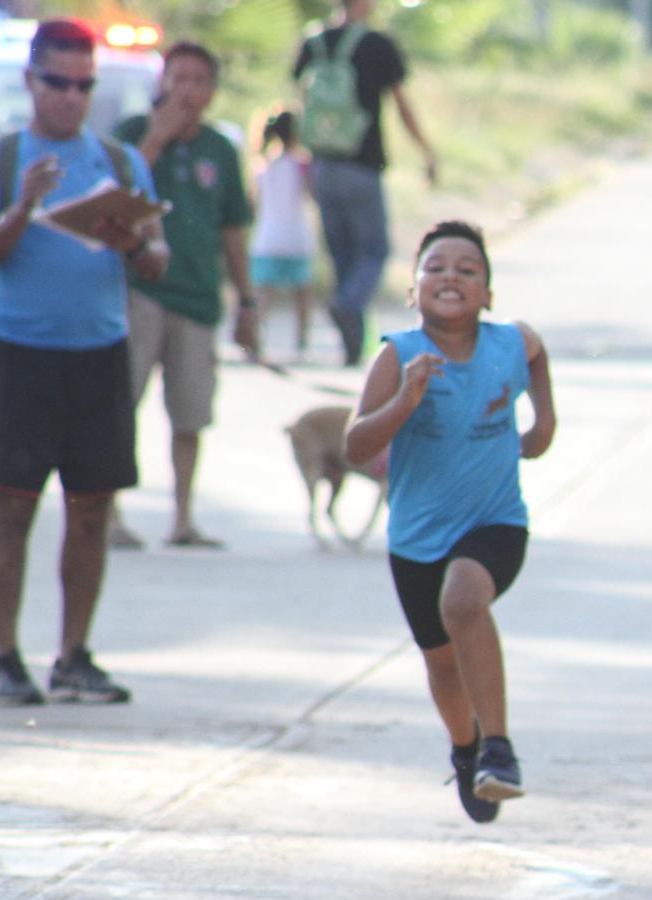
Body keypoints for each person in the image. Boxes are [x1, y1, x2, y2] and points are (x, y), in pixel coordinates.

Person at [0, 19, 169, 708]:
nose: (70, 97)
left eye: (84, 85)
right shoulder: (1, 160)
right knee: (12, 503)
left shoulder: (120, 164)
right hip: (22, 351)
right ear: (31, 81)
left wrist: (129, 242)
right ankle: (5, 655)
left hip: (99, 352)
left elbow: (156, 259)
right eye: (57, 82)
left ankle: (73, 654)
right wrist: (23, 207)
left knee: (92, 507)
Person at [343, 222, 556, 821]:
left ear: (488, 293)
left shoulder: (509, 344)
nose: (451, 277)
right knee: (441, 659)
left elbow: (536, 351)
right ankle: (466, 749)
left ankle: (499, 747)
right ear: (413, 290)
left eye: (468, 269)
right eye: (436, 267)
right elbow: (355, 447)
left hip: (495, 522)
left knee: (463, 602)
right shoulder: (400, 354)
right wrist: (403, 403)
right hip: (416, 538)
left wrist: (543, 422)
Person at [109, 40, 258, 553]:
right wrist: (156, 138)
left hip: (197, 296)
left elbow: (234, 229)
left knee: (190, 413)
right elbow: (114, 201)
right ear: (161, 82)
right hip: (137, 291)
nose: (187, 90)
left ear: (213, 90)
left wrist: (248, 300)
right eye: (178, 77)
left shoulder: (221, 149)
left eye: (199, 79)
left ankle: (182, 518)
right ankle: (110, 514)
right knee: (120, 403)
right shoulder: (131, 135)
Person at [293, 0, 438, 367]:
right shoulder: (377, 44)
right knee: (373, 252)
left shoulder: (313, 41)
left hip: (323, 163)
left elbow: (303, 105)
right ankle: (348, 307)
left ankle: (352, 346)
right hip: (362, 165)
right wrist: (426, 151)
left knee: (342, 256)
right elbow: (402, 106)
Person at [250, 109, 317, 360]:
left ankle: (256, 340)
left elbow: (255, 202)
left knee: (262, 293)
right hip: (297, 237)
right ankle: (301, 342)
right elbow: (311, 196)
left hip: (267, 236)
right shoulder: (302, 165)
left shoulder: (262, 166)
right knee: (302, 294)